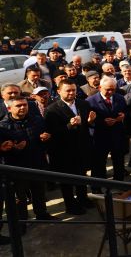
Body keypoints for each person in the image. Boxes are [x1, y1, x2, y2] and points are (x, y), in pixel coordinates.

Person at [0, 97, 59, 227]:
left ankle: (42, 214)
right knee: (20, 197)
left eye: (25, 105)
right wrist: (12, 148)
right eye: (19, 106)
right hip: (18, 168)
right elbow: (2, 149)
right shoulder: (3, 126)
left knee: (39, 191)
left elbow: (46, 138)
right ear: (10, 108)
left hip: (37, 163)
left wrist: (46, 138)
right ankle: (21, 223)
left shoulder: (36, 120)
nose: (22, 108)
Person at [44, 80, 96, 214]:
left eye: (73, 90)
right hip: (64, 151)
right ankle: (70, 205)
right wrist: (70, 125)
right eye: (68, 90)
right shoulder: (52, 110)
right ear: (59, 91)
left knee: (82, 176)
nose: (72, 93)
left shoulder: (83, 104)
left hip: (81, 147)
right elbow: (53, 133)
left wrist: (89, 122)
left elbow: (85, 125)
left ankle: (83, 199)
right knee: (67, 181)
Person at [87, 76, 127, 184]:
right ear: (100, 87)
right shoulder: (90, 101)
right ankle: (98, 186)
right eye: (107, 89)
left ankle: (119, 184)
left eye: (113, 89)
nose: (110, 92)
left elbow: (125, 112)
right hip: (100, 136)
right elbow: (88, 121)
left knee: (119, 161)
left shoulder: (120, 98)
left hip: (116, 135)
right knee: (99, 163)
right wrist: (100, 121)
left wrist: (122, 117)